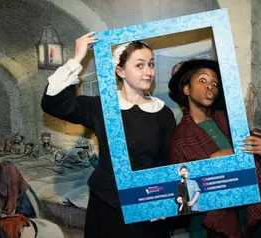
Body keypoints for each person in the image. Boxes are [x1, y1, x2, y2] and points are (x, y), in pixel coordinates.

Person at [41, 32, 176, 238]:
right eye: (140, 65)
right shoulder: (101, 106)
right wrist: (77, 57)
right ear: (120, 71)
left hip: (147, 208)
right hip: (107, 208)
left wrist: (164, 199)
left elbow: (168, 161)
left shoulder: (162, 113)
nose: (149, 71)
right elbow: (54, 102)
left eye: (151, 64)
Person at [168, 59, 261, 238]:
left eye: (215, 83)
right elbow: (181, 197)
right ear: (187, 89)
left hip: (254, 213)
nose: (210, 86)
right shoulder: (179, 138)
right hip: (213, 223)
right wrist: (211, 166)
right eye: (202, 80)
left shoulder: (231, 121)